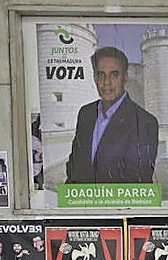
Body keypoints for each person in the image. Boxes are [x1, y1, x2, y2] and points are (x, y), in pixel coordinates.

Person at [65, 46, 159, 184]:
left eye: (114, 74)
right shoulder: (85, 113)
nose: (106, 82)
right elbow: (74, 168)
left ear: (125, 78)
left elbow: (138, 182)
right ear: (95, 78)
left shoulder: (145, 122)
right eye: (101, 75)